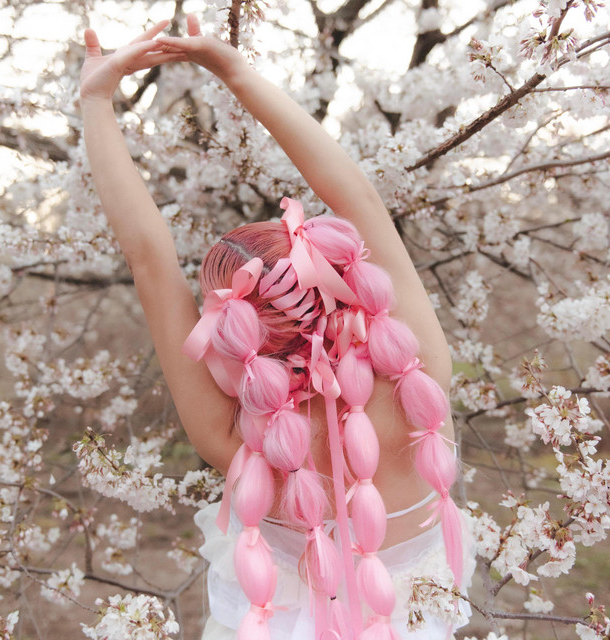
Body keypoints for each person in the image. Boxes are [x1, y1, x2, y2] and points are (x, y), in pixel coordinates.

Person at [79, 13, 475, 640]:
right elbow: (358, 198)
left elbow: (149, 259)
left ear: (237, 339)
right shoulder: (420, 375)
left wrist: (96, 99)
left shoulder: (238, 440)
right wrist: (235, 70)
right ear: (341, 277)